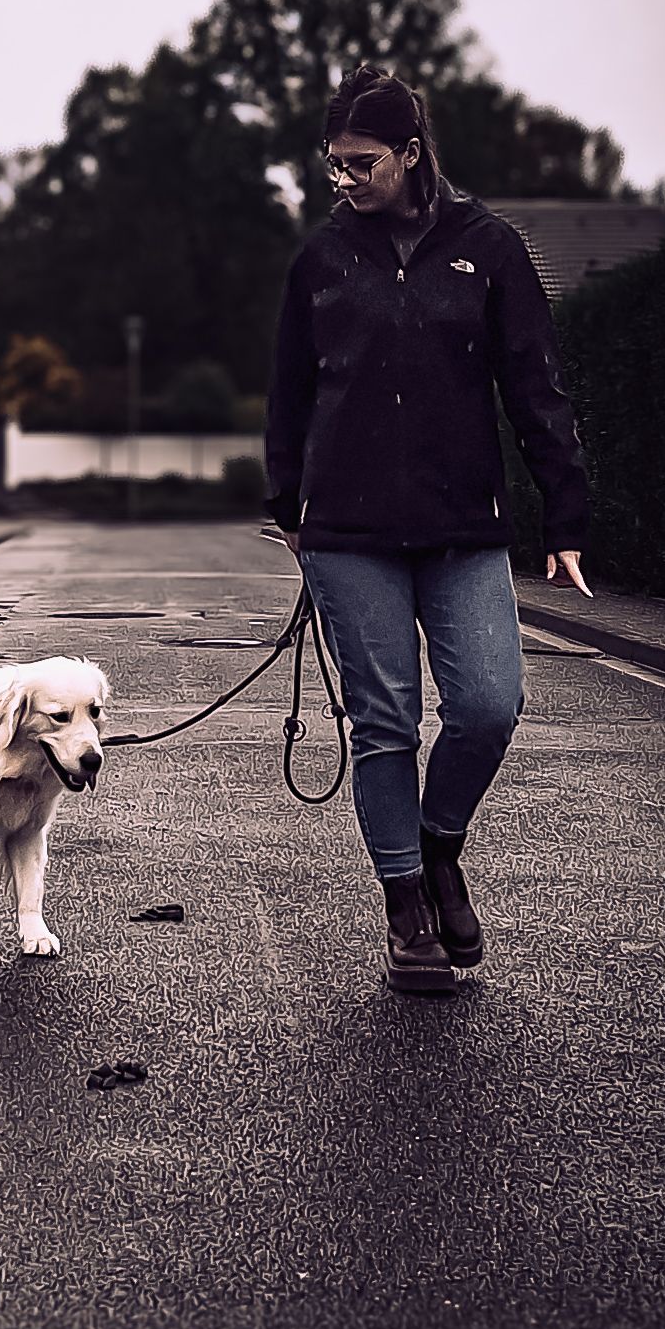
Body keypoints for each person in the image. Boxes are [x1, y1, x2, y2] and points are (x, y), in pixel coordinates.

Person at [263, 62, 593, 995]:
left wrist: (565, 516)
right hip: (348, 531)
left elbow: (536, 385)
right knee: (385, 722)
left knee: (489, 704)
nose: (344, 180)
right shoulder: (320, 260)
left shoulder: (486, 247)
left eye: (361, 162)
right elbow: (289, 394)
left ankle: (440, 847)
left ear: (411, 155)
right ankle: (405, 902)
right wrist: (288, 508)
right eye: (333, 165)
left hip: (463, 526)